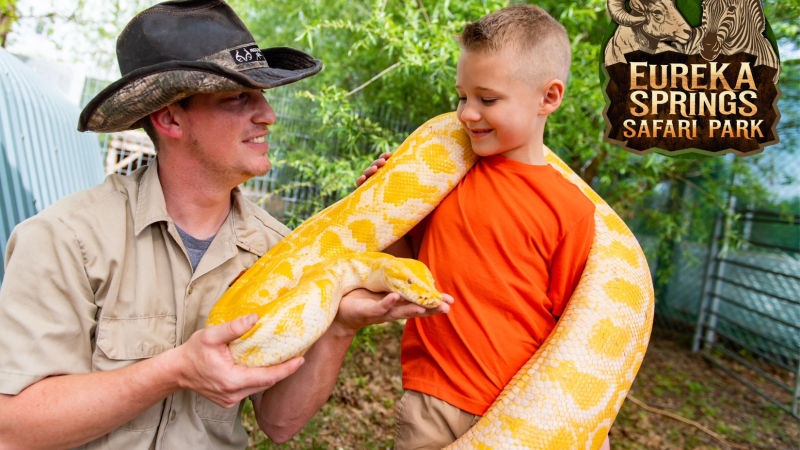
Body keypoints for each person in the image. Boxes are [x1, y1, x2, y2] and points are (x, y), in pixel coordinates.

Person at [0, 2, 451, 449]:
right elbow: (12, 427)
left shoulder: (281, 250)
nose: (268, 115)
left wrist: (339, 324)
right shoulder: (66, 238)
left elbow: (278, 424)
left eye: (263, 94)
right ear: (170, 118)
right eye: (239, 97)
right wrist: (175, 371)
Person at [358, 5, 611, 449]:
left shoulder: (573, 209)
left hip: (523, 410)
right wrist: (381, 205)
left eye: (487, 99)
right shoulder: (444, 181)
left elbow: (575, 325)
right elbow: (409, 266)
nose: (466, 114)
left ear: (549, 98)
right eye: (462, 97)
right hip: (432, 399)